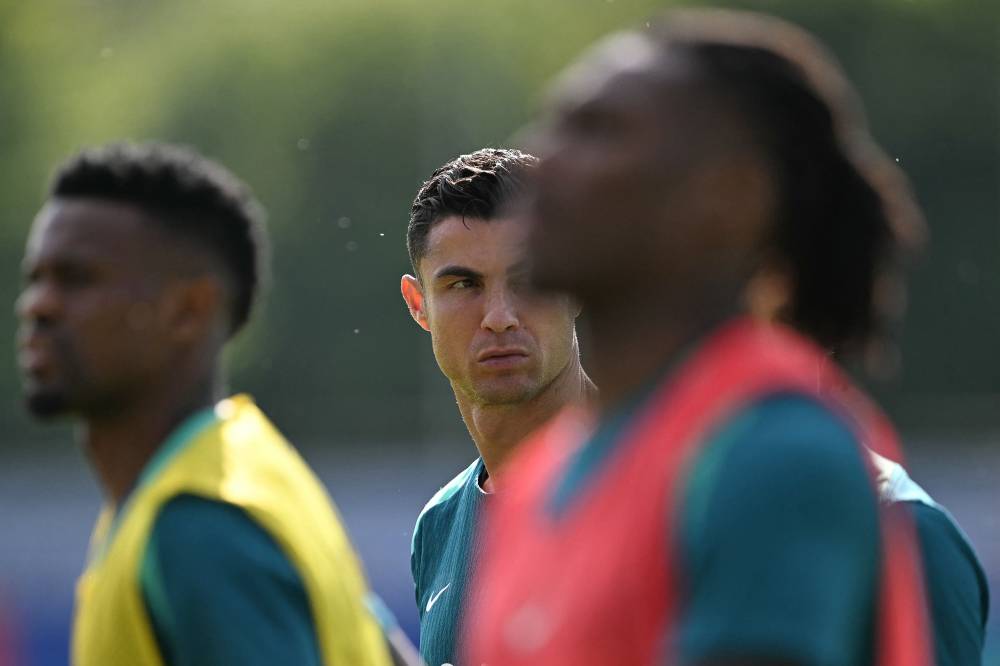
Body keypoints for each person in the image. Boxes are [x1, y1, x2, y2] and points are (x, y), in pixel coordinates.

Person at [464, 9, 986, 666]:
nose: (544, 161)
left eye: (601, 132)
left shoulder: (773, 452)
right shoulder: (543, 479)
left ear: (728, 197)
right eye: (554, 124)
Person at [16, 142, 392, 666]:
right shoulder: (241, 474)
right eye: (35, 279)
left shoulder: (200, 524)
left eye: (77, 278)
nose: (37, 305)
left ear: (189, 310)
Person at [400, 148, 594, 666]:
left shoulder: (667, 478)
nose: (500, 316)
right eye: (464, 284)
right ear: (419, 306)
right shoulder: (438, 525)